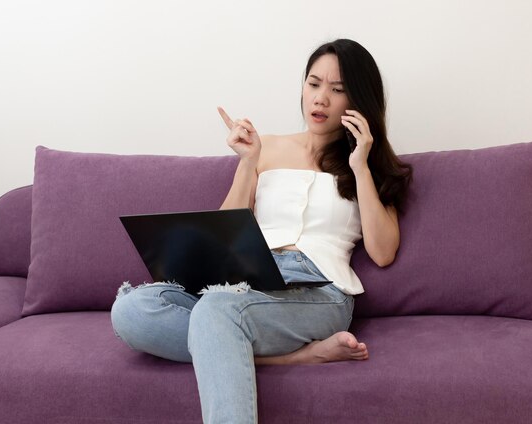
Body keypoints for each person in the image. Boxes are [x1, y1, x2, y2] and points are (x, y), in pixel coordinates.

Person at [111, 38, 412, 424]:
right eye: (313, 83)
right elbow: (223, 235)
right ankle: (296, 357)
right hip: (246, 280)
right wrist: (247, 163)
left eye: (337, 90)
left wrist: (360, 166)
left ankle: (241, 340)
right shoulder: (266, 148)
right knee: (132, 309)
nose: (320, 99)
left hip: (318, 290)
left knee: (216, 311)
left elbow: (384, 251)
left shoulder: (369, 165)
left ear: (358, 100)